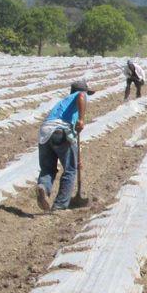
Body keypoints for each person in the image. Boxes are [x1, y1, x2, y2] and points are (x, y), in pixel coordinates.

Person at [36, 80, 92, 212]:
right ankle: (60, 206)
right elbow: (82, 96)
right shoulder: (80, 95)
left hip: (45, 131)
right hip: (60, 130)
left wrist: (77, 158)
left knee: (47, 168)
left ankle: (43, 187)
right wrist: (81, 119)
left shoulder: (64, 103)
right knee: (70, 169)